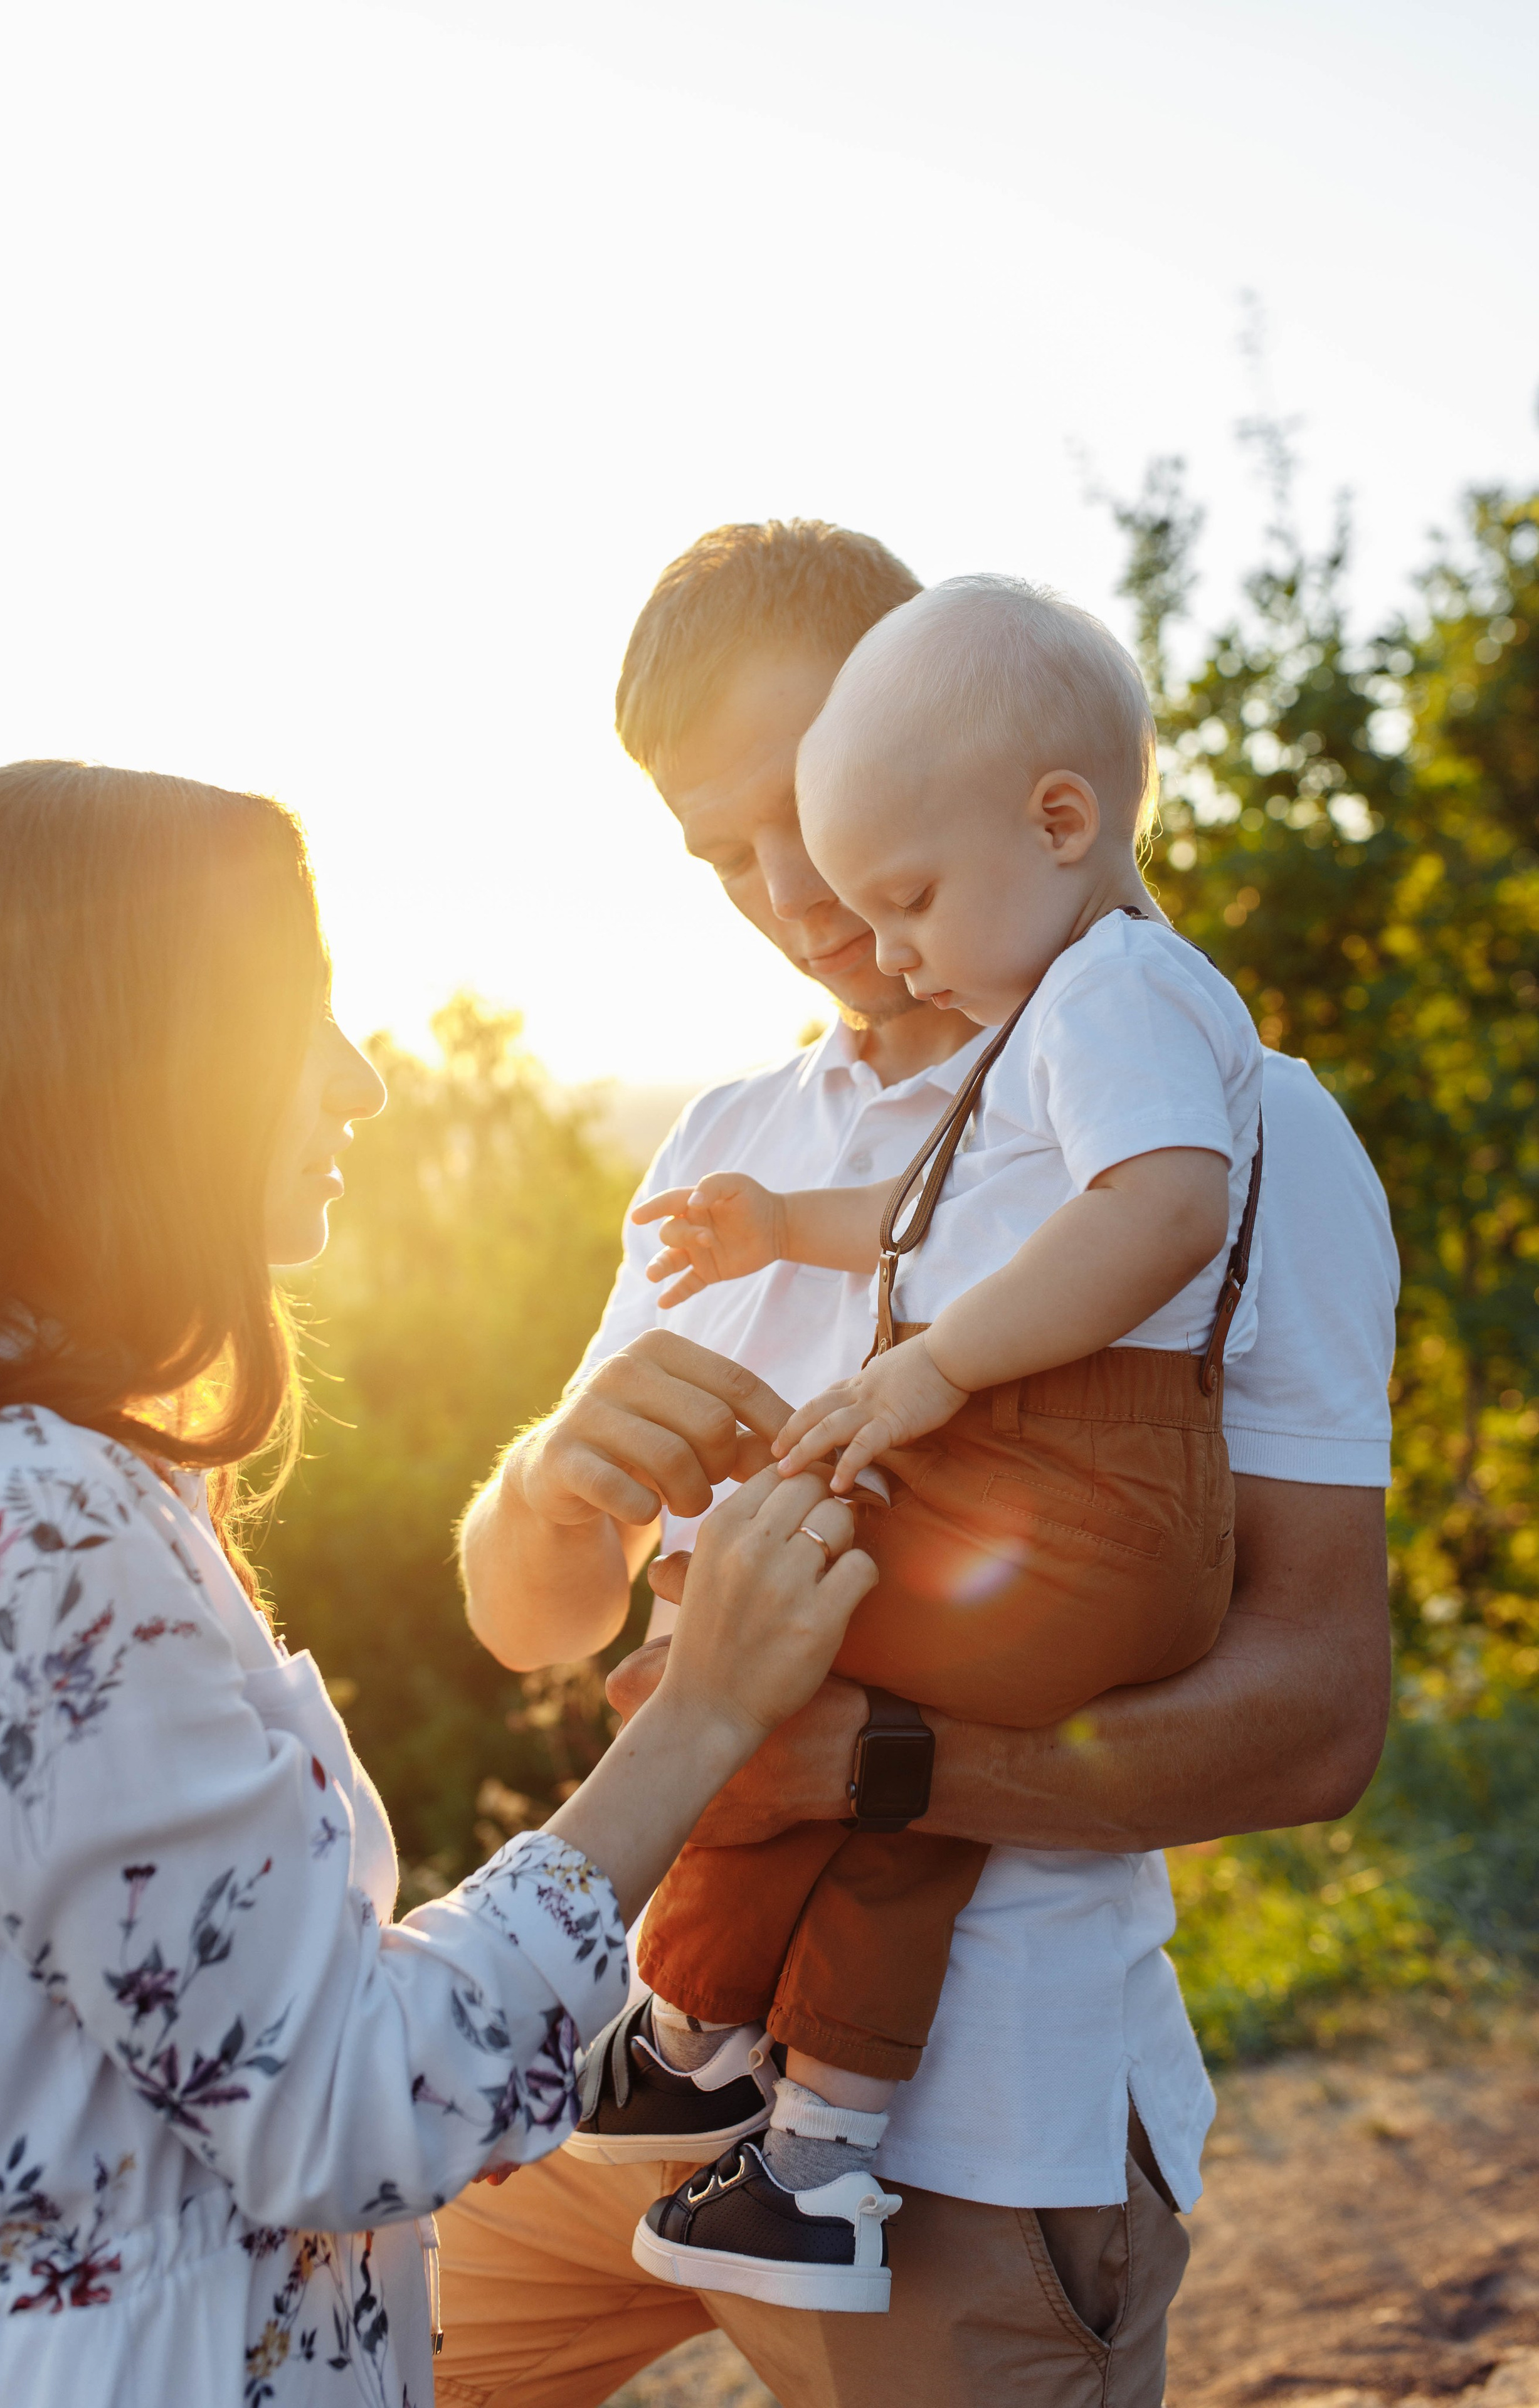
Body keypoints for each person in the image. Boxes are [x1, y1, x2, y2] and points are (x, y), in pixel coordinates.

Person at [443, 521, 1398, 2408]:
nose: (789, 890)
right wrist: (550, 1481)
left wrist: (886, 1764)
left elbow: (1318, 1722)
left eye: (804, 805)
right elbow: (530, 1623)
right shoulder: (728, 1149)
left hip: (970, 2148)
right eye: (722, 853)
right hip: (609, 2065)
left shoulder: (1230, 1132)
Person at [0, 758, 878, 2408]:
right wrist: (702, 1716)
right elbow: (341, 2109)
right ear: (130, 1065)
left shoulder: (44, 1485)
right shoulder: (38, 1531)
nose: (360, 1081)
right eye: (296, 1017)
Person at [617, 576, 1264, 2310]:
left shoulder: (1117, 994)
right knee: (886, 1789)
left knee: (757, 1637)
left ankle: (687, 2027)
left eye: (906, 896)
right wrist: (780, 1230)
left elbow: (1165, 1209)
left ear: (1056, 821)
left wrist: (931, 1374)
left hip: (1087, 1486)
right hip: (1078, 1499)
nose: (883, 945)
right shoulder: (1052, 1028)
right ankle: (815, 2152)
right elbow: (937, 1214)